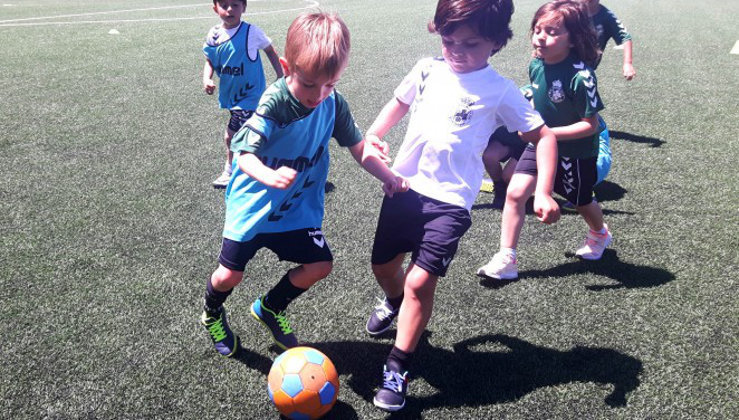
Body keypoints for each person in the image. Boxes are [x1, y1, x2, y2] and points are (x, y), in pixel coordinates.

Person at [363, 0, 560, 411]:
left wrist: (542, 190)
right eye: (449, 40)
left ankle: (397, 367)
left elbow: (543, 137)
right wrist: (376, 133)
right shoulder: (426, 69)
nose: (457, 51)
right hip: (402, 188)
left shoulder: (501, 90)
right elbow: (399, 103)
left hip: (451, 201)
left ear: (496, 41)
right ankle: (393, 301)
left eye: (470, 43)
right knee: (384, 267)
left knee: (420, 282)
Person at [200, 11, 408, 357]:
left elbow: (359, 148)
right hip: (251, 205)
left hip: (295, 209)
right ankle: (211, 312)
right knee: (228, 276)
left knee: (319, 265)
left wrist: (388, 177)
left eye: (330, 84)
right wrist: (270, 176)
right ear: (286, 66)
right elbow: (244, 155)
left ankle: (270, 306)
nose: (318, 94)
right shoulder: (275, 102)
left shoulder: (333, 104)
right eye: (309, 83)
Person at [477, 0, 612, 282]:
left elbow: (592, 125)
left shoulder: (581, 76)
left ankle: (600, 234)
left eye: (551, 32)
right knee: (515, 194)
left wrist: (548, 133)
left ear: (573, 39)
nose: (540, 36)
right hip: (538, 146)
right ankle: (507, 257)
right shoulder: (536, 65)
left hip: (576, 153)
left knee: (581, 201)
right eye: (538, 29)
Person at [202, 0, 283, 189]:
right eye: (224, 4)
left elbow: (270, 50)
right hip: (231, 95)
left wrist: (281, 75)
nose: (230, 9)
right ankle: (272, 161)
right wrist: (207, 79)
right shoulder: (214, 35)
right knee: (257, 130)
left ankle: (229, 170)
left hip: (251, 95)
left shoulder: (251, 32)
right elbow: (209, 61)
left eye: (235, 4)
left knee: (231, 135)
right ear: (215, 8)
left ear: (244, 7)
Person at [562, 0, 635, 208]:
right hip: (557, 67)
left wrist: (627, 63)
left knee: (578, 117)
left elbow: (625, 37)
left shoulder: (606, 16)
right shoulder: (568, 10)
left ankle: (583, 175)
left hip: (582, 75)